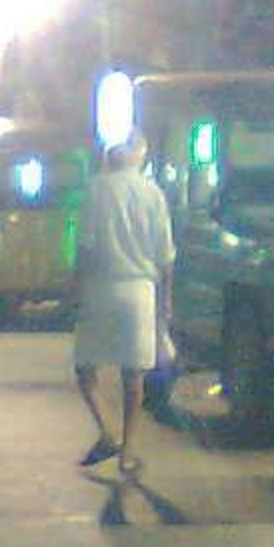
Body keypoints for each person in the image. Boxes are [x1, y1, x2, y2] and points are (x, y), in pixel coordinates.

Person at [71, 140, 177, 480]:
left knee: (86, 368)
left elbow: (84, 247)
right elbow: (166, 255)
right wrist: (166, 299)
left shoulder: (95, 190)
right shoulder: (153, 193)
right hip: (140, 291)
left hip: (100, 287)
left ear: (108, 162)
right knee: (134, 377)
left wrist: (74, 291)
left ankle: (106, 431)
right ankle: (128, 451)